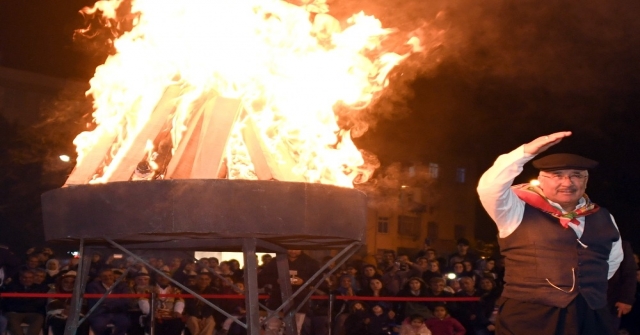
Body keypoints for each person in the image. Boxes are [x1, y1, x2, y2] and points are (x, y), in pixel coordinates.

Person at [477, 131, 623, 335]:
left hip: (591, 314)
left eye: (576, 176)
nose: (567, 183)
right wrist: (526, 152)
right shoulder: (516, 209)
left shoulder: (602, 215)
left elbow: (612, 260)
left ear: (586, 181)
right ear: (541, 180)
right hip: (530, 315)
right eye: (557, 176)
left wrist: (586, 289)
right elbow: (489, 188)